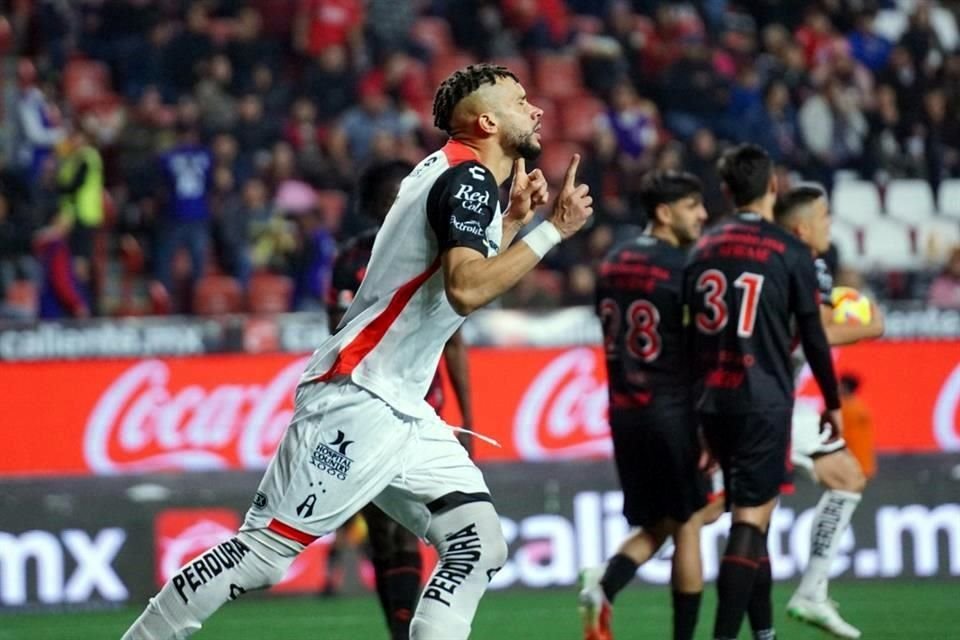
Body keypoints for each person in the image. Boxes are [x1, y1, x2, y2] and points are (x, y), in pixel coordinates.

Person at [121, 62, 594, 640]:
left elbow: (445, 287)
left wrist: (515, 221)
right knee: (265, 553)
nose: (537, 109)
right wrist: (552, 231)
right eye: (521, 101)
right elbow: (466, 289)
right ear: (488, 120)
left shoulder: (452, 174)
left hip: (403, 406)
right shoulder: (464, 180)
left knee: (478, 542)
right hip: (360, 397)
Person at [684, 144, 842, 640]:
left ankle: (764, 633)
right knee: (749, 522)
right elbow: (814, 335)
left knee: (756, 522)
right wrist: (833, 403)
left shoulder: (702, 249)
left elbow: (688, 338)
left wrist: (697, 415)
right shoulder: (789, 250)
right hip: (764, 399)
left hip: (712, 400)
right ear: (772, 186)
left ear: (727, 192)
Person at [323, 159, 475, 640]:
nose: (396, 203)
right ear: (373, 204)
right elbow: (341, 338)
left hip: (415, 410)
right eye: (389, 196)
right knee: (388, 531)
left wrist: (468, 417)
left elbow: (453, 339)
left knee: (402, 530)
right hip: (368, 404)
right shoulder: (363, 257)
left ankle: (408, 630)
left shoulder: (423, 250)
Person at [578, 170, 721, 640]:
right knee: (687, 527)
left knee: (662, 521)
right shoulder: (686, 267)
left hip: (624, 412)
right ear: (664, 213)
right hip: (673, 411)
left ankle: (606, 583)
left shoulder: (613, 262)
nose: (702, 215)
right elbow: (703, 349)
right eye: (692, 206)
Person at [773, 185, 884, 639]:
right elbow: (814, 335)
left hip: (753, 398)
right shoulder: (807, 263)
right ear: (803, 226)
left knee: (706, 507)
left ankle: (608, 574)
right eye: (824, 217)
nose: (830, 225)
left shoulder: (770, 257)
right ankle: (812, 592)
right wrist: (866, 325)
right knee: (848, 478)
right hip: (767, 401)